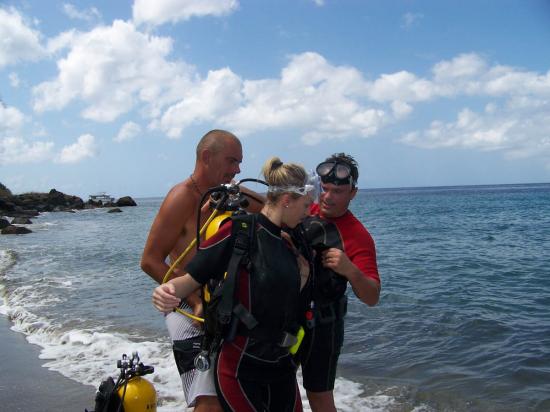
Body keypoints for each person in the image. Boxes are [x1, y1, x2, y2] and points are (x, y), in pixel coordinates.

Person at [152, 157, 314, 412]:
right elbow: (189, 280)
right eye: (306, 205)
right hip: (240, 369)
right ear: (286, 201)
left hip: (281, 367)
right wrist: (166, 291)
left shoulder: (287, 244)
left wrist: (302, 275)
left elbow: (285, 306)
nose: (308, 212)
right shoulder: (238, 232)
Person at [141, 129, 262, 411]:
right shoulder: (181, 197)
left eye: (239, 162)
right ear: (207, 157)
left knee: (233, 389)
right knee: (208, 399)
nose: (238, 169)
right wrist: (196, 302)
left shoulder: (233, 193)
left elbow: (276, 214)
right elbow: (150, 260)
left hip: (224, 305)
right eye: (232, 161)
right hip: (188, 307)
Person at [298, 153, 381, 412]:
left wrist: (351, 270)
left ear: (353, 193)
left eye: (338, 191)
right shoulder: (301, 209)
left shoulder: (358, 236)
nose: (328, 197)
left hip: (324, 325)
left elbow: (372, 297)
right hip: (286, 316)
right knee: (276, 388)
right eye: (325, 188)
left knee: (319, 396)